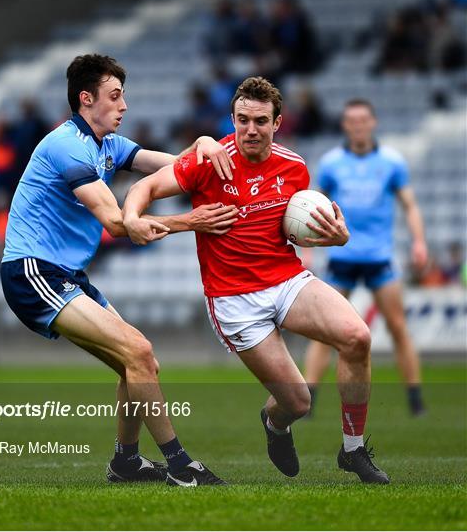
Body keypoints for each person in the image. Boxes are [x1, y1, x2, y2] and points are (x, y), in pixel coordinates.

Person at [123, 77, 390, 484]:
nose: (250, 129)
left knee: (357, 337)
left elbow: (300, 228)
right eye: (242, 120)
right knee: (297, 401)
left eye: (260, 121)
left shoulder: (294, 167)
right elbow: (144, 187)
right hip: (235, 299)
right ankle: (275, 423)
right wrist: (132, 218)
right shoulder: (208, 161)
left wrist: (338, 236)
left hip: (287, 280)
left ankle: (352, 451)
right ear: (232, 119)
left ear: (277, 122)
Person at [1, 54, 240, 487]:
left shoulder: (107, 145)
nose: (124, 105)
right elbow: (117, 223)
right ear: (86, 98)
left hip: (66, 276)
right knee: (140, 352)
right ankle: (181, 465)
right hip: (32, 272)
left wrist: (204, 143)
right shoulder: (67, 146)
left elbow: (174, 167)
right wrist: (192, 222)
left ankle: (126, 463)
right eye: (115, 96)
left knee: (139, 363)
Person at [303, 99, 428, 416]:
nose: (357, 125)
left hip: (379, 257)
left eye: (363, 120)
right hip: (341, 257)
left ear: (372, 123)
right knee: (325, 332)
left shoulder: (391, 162)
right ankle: (309, 400)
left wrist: (419, 242)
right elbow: (312, 205)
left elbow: (409, 205)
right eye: (351, 120)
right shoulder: (332, 163)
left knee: (398, 328)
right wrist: (306, 249)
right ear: (345, 125)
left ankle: (415, 400)